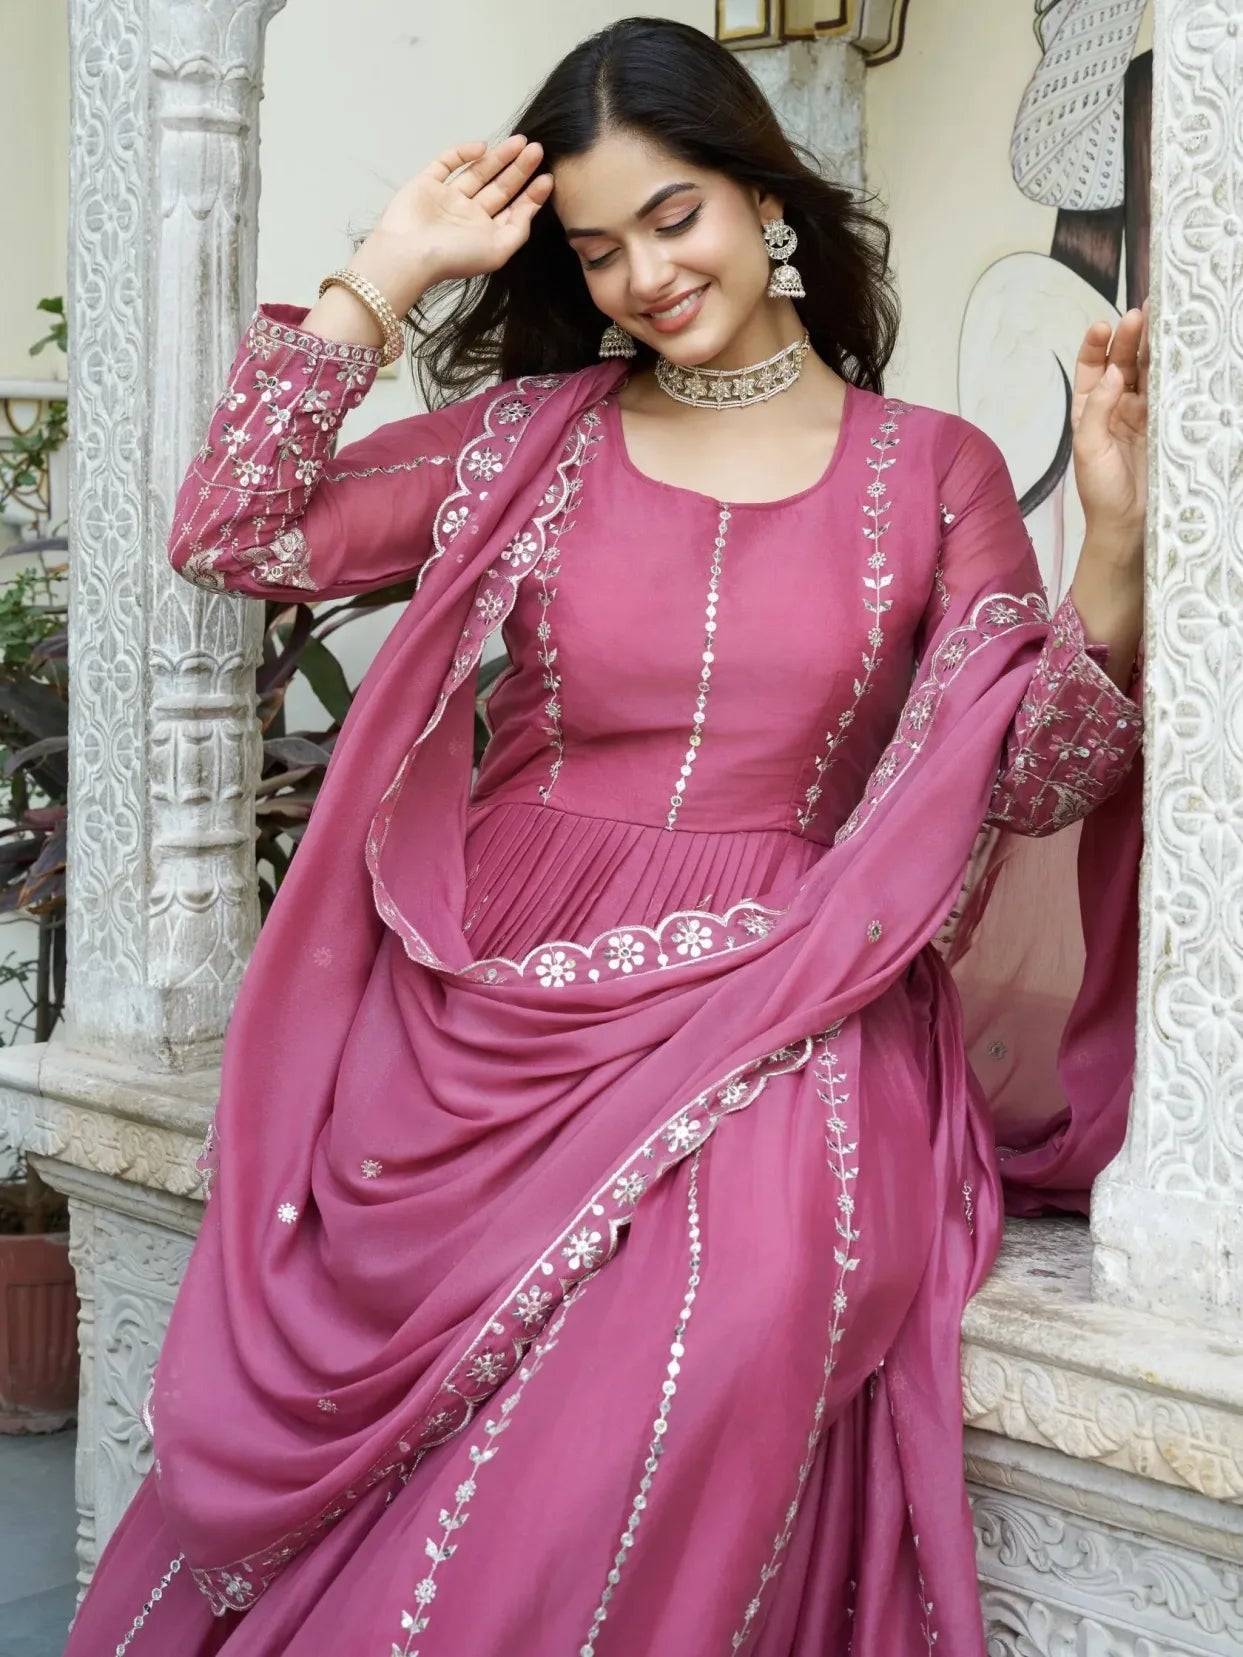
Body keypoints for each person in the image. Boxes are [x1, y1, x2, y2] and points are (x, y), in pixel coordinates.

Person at [65, 18, 1147, 1656]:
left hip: (795, 1000)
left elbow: (1033, 774)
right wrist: (388, 268)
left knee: (722, 1319)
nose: (645, 274)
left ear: (764, 200)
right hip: (487, 1009)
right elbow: (237, 526)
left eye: (676, 215)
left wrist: (1118, 556)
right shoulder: (534, 439)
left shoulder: (934, 473)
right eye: (598, 247)